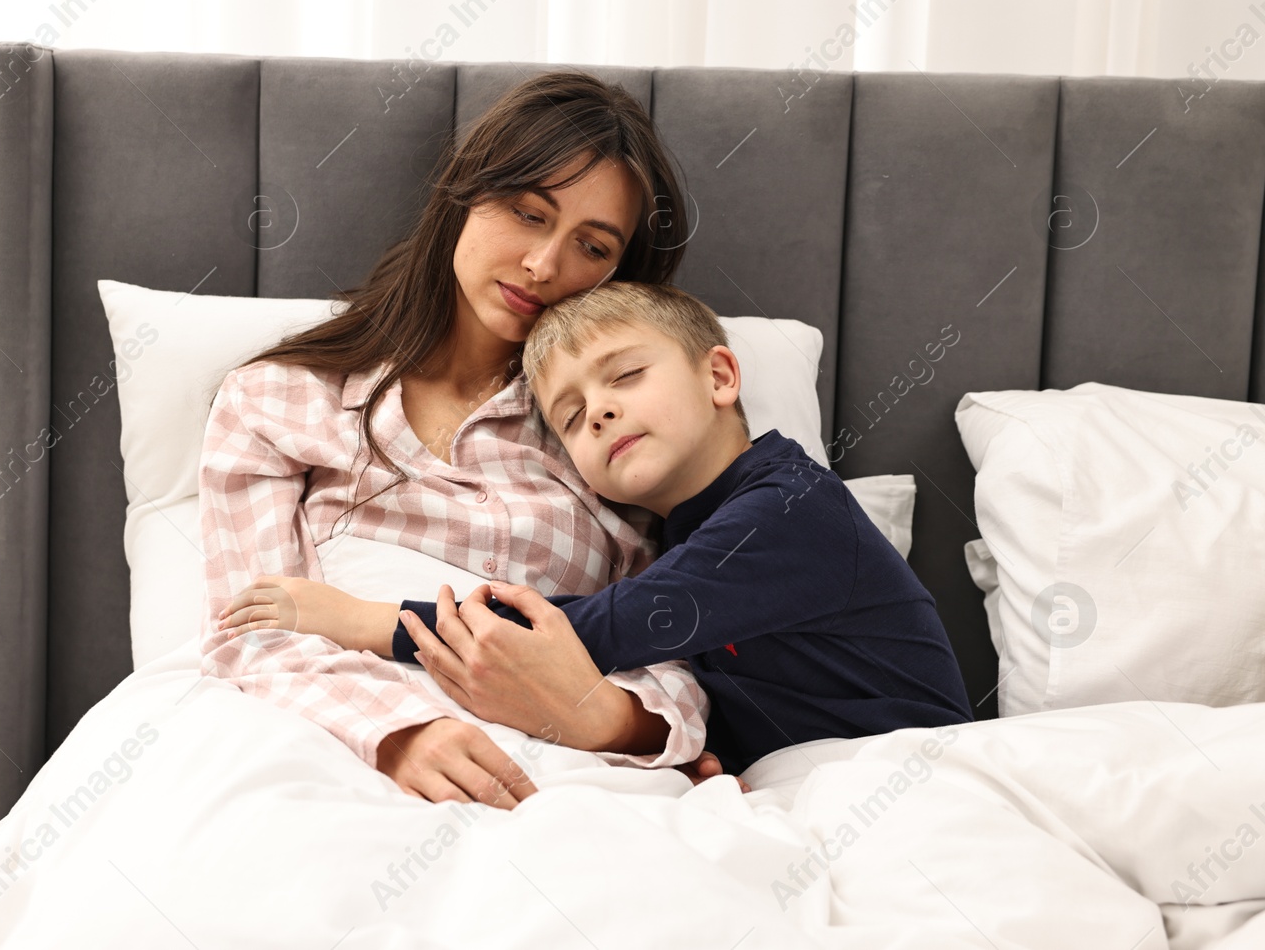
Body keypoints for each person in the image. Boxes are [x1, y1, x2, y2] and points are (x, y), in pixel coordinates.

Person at [196, 71, 720, 812]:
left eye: (593, 246)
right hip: (327, 746)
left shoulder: (612, 437)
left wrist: (607, 719)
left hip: (555, 769)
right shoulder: (275, 400)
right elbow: (249, 631)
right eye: (528, 214)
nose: (545, 266)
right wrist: (404, 730)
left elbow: (679, 656)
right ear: (466, 192)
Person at [219, 281, 975, 775]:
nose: (601, 410)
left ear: (719, 376)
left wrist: (362, 619)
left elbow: (590, 630)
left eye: (625, 376)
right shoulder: (681, 540)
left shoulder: (788, 509)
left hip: (917, 770)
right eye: (572, 417)